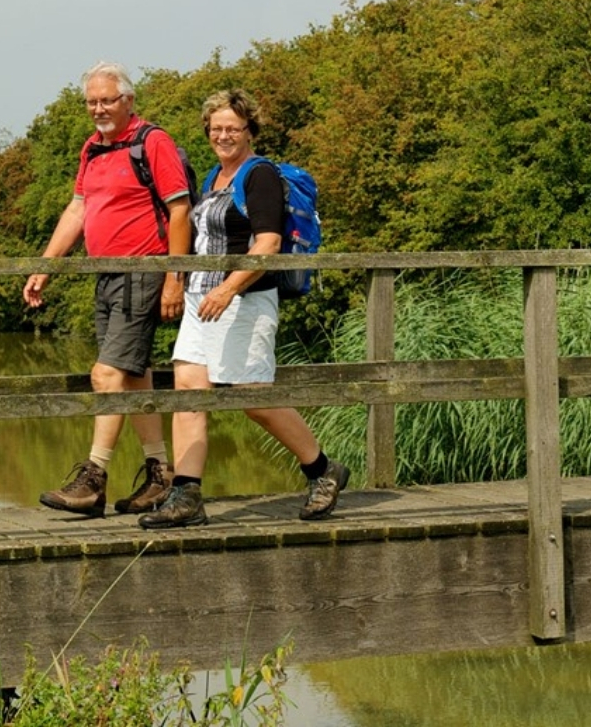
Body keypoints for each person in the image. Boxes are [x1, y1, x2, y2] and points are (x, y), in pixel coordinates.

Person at [139, 89, 349, 529]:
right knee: (189, 394)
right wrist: (186, 284)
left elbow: (268, 243)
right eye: (216, 128)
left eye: (233, 128)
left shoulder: (260, 175)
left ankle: (323, 470)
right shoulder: (214, 176)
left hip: (245, 300)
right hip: (201, 299)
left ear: (250, 130)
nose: (223, 136)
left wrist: (228, 289)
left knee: (254, 399)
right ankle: (186, 495)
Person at [23, 61, 191, 518]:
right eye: (91, 102)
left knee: (106, 374)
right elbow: (78, 210)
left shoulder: (152, 142)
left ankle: (93, 480)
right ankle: (160, 474)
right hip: (106, 275)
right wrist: (46, 266)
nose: (98, 109)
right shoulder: (93, 148)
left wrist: (174, 277)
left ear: (128, 101)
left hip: (143, 271)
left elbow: (180, 210)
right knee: (133, 375)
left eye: (107, 100)